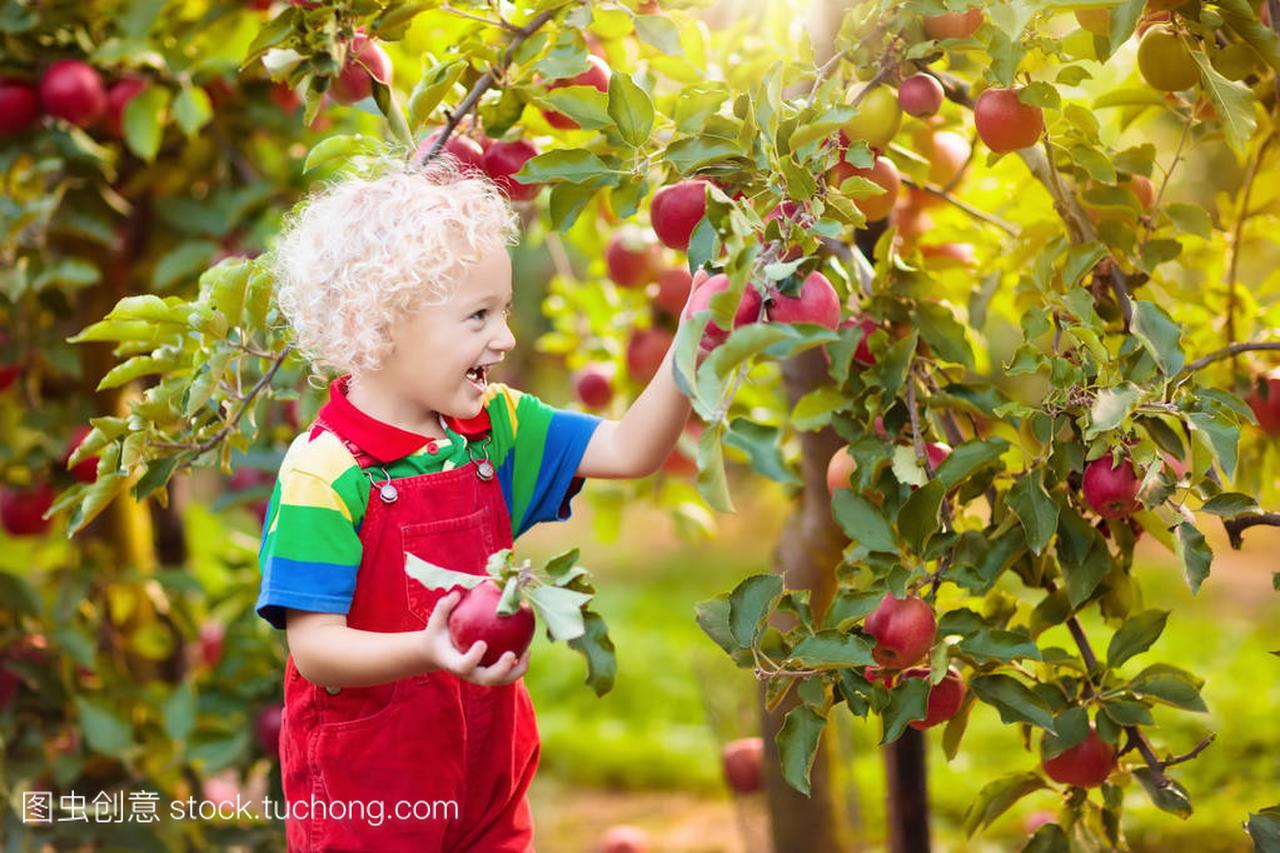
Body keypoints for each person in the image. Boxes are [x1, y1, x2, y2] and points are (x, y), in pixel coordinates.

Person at [254, 150, 694, 851]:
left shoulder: (497, 428)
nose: (506, 336)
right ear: (381, 322)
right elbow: (316, 650)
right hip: (372, 800)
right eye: (478, 315)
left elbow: (632, 449)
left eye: (505, 309)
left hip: (487, 774)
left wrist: (695, 336)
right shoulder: (324, 470)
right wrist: (428, 649)